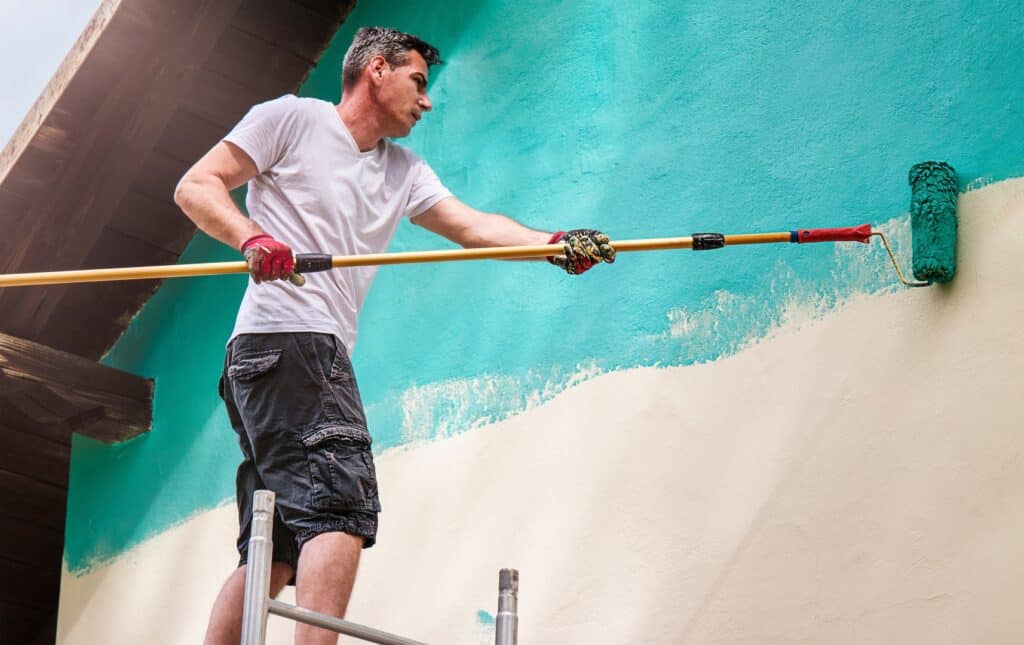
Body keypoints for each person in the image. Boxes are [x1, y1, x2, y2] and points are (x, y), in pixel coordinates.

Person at [174, 26, 615, 645]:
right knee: (339, 507)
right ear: (377, 70)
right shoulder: (291, 119)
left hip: (268, 358)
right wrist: (253, 239)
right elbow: (196, 185)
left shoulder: (403, 170)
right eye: (418, 82)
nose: (426, 101)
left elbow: (472, 228)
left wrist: (553, 246)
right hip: (295, 340)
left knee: (273, 551)